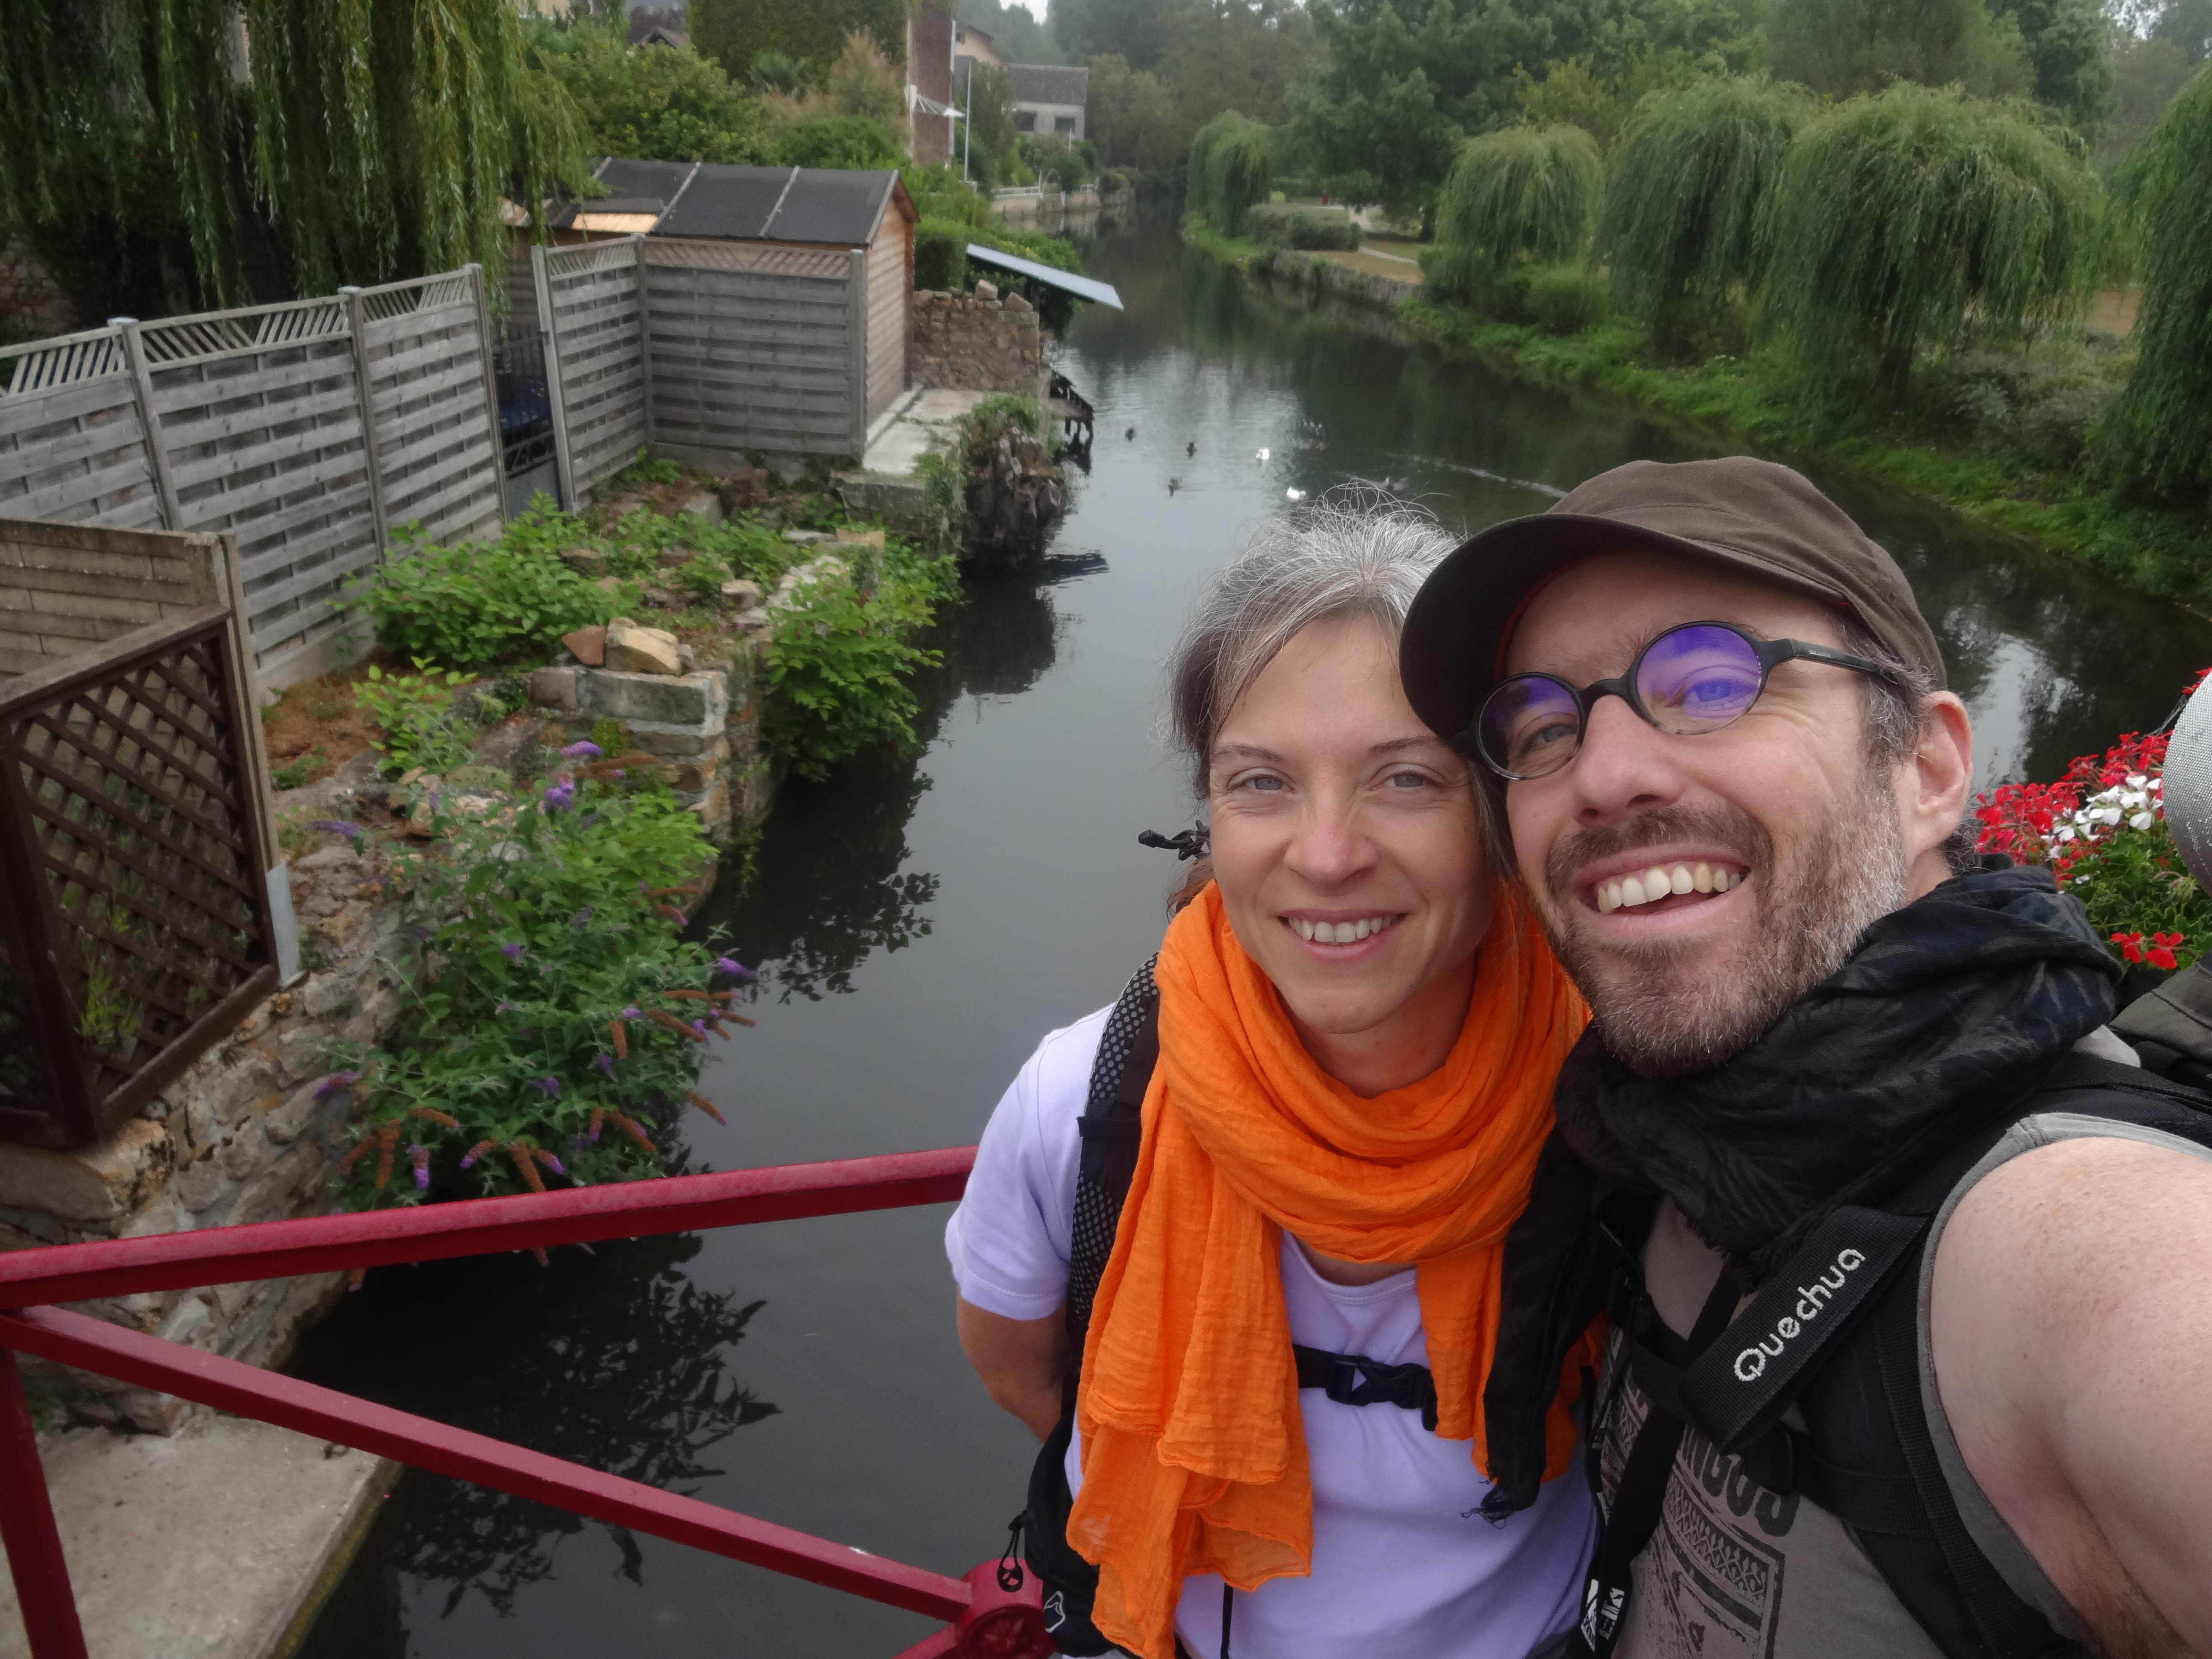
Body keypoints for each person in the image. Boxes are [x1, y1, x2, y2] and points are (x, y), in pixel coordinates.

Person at [1396, 455, 2212, 1659]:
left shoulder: (2081, 1256)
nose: (1605, 775)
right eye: (1541, 725)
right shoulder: (1662, 1128)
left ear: (1928, 770)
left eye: (1715, 678)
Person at [945, 498, 1604, 1659]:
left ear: (1500, 813)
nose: (1328, 852)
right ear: (1207, 813)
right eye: (1262, 783)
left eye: (1406, 779)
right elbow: (1015, 1367)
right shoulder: (1087, 1100)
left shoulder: (1612, 1102)